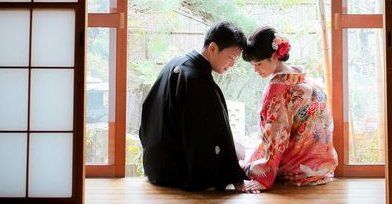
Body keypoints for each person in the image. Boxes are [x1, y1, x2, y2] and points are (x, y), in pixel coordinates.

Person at [139, 20, 258, 193]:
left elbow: (147, 110)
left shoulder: (175, 63)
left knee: (236, 148)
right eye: (231, 58)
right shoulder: (197, 81)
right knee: (239, 151)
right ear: (213, 48)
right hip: (177, 174)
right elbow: (213, 134)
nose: (232, 65)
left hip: (154, 167)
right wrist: (236, 178)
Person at [241, 26, 338, 191]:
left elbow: (277, 136)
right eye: (252, 65)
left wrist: (265, 178)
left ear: (274, 56)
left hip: (298, 169)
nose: (256, 70)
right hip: (323, 166)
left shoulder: (278, 88)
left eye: (259, 64)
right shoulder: (302, 78)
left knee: (238, 166)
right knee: (249, 156)